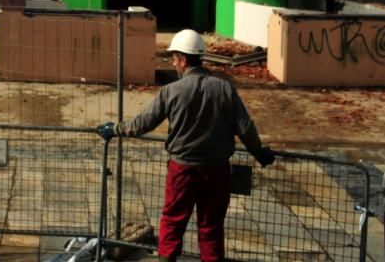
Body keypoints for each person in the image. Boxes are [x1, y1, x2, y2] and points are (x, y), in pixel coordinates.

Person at [96, 29, 274, 262]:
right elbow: (245, 127)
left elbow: (142, 124)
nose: (173, 63)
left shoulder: (171, 91)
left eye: (174, 58)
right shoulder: (224, 89)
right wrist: (259, 152)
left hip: (182, 171)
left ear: (183, 59)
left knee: (172, 222)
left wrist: (115, 129)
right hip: (217, 171)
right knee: (211, 227)